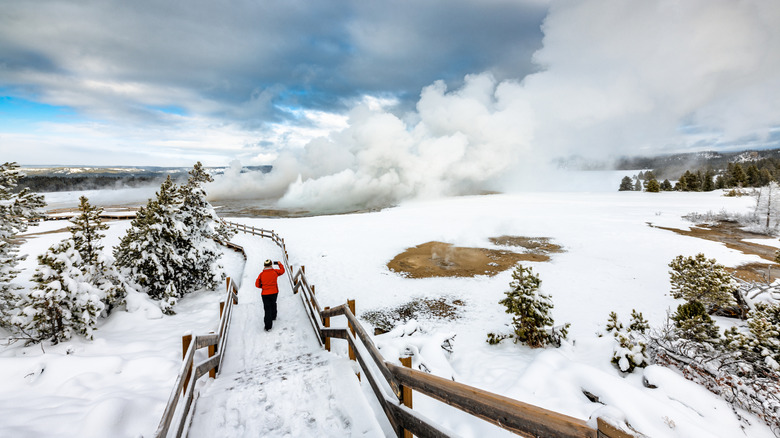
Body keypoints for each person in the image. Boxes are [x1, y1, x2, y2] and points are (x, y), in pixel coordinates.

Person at [255, 259, 286, 331]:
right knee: (273, 303)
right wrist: (279, 264)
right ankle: (273, 316)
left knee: (267, 309)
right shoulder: (275, 271)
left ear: (264, 266)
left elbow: (257, 284)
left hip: (265, 294)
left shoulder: (261, 274)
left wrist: (263, 287)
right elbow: (282, 271)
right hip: (274, 292)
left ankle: (268, 326)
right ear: (271, 265)